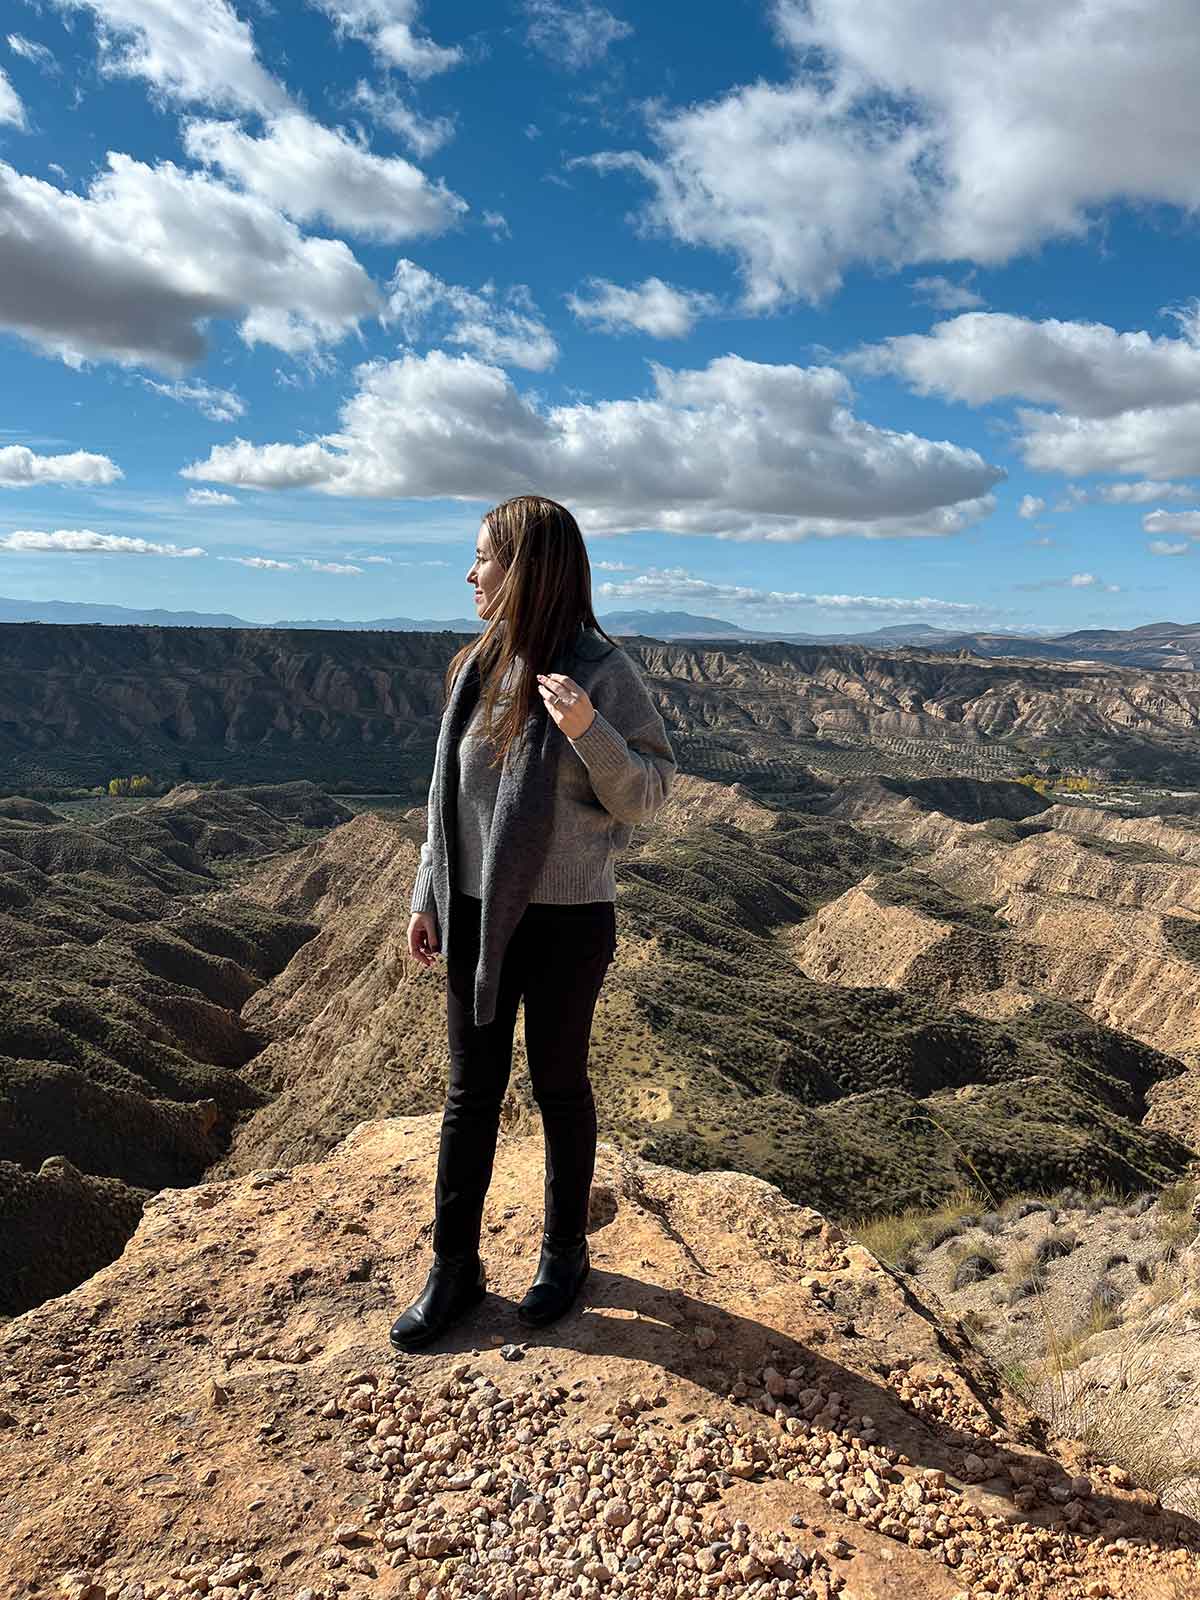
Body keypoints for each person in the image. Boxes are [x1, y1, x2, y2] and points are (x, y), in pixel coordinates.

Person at [389, 494, 677, 1351]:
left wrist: (591, 731)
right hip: (476, 914)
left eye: (484, 557)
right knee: (469, 1092)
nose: (471, 573)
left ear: (529, 569)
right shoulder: (477, 666)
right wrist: (425, 895)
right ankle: (454, 1270)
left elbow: (650, 792)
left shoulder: (601, 670)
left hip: (567, 919)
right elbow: (449, 802)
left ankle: (563, 1253)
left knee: (559, 1086)